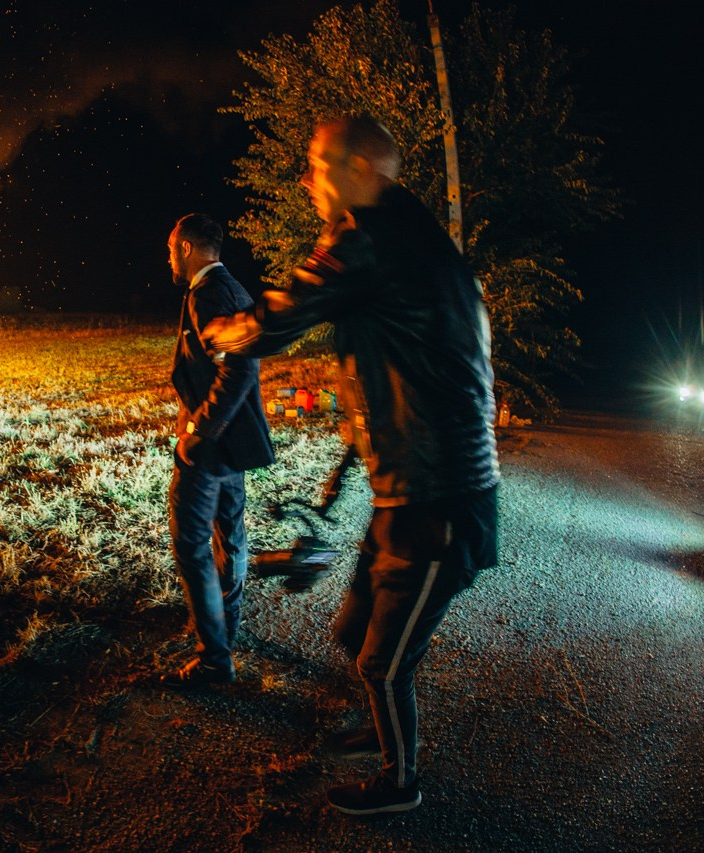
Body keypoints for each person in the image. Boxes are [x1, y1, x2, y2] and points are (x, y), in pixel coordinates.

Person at [201, 117, 499, 814]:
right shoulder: (415, 239)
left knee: (381, 661)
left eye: (317, 163)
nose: (307, 179)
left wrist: (225, 332)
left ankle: (401, 783)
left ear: (361, 167)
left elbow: (283, 312)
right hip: (412, 487)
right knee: (358, 628)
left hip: (442, 498)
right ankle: (385, 724)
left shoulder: (366, 235)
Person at [160, 213, 275, 688]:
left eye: (171, 249)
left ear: (186, 247)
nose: (168, 258)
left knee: (192, 545)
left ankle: (213, 658)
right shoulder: (231, 289)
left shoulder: (209, 294)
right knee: (229, 536)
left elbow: (239, 370)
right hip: (232, 444)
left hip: (211, 448)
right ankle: (225, 627)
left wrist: (199, 432)